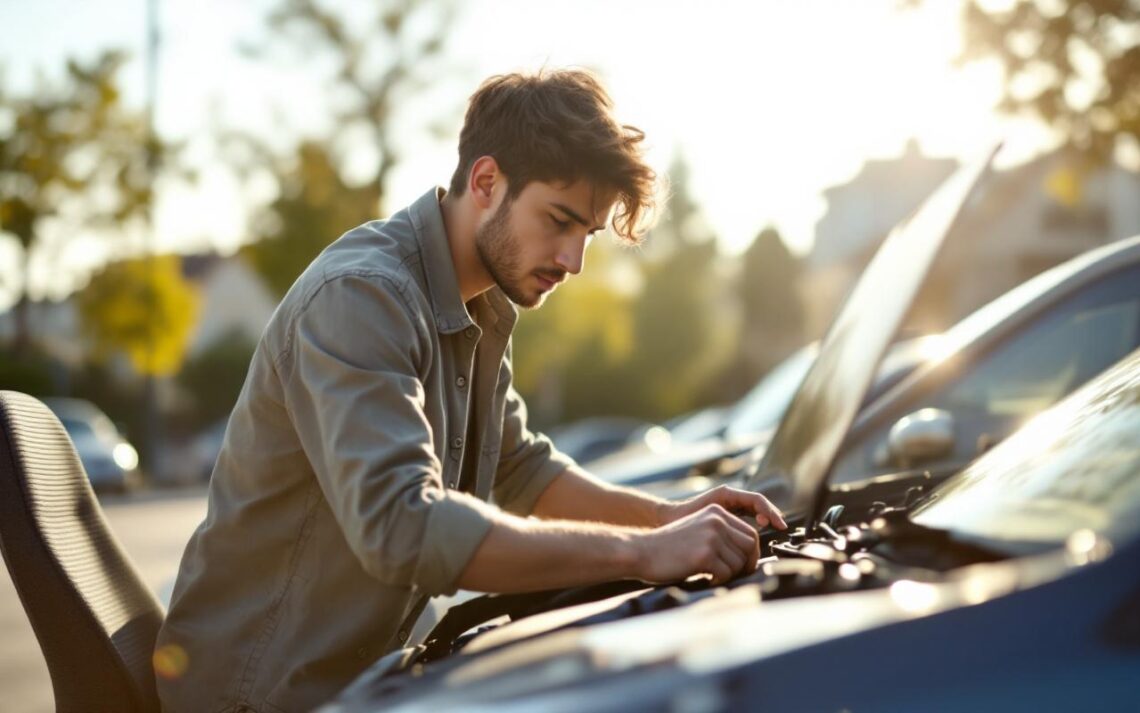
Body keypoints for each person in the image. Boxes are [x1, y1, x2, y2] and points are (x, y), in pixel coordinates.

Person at [155, 69, 787, 713]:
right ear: (486, 182)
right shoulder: (361, 297)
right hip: (255, 697)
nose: (573, 261)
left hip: (361, 680)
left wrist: (665, 517)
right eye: (560, 221)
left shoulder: (475, 308)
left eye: (587, 235)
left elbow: (520, 468)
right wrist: (647, 553)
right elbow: (405, 527)